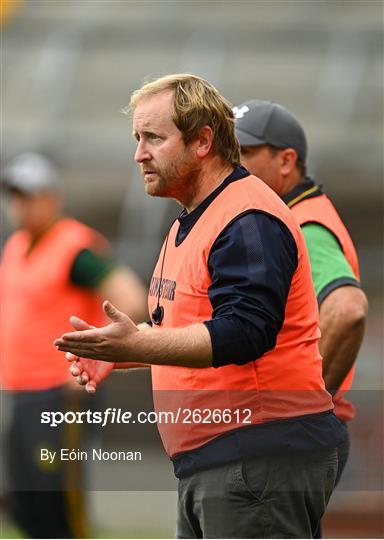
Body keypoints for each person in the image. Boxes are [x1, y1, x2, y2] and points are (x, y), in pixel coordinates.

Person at [55, 74, 347, 539]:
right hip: (222, 460)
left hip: (256, 457)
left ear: (203, 141)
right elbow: (188, 331)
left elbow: (246, 330)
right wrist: (121, 352)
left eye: (153, 137)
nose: (139, 154)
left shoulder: (247, 217)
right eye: (137, 138)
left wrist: (140, 341)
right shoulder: (193, 220)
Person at [0, 152, 147, 539]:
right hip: (23, 391)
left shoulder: (73, 248)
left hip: (60, 393)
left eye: (29, 196)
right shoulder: (16, 246)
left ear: (52, 198)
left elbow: (130, 299)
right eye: (15, 196)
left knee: (60, 503)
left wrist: (89, 354)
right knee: (26, 499)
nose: (20, 206)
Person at [234, 99, 368, 519]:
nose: (232, 164)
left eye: (245, 153)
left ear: (286, 160)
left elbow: (348, 310)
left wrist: (299, 408)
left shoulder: (303, 224)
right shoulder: (286, 216)